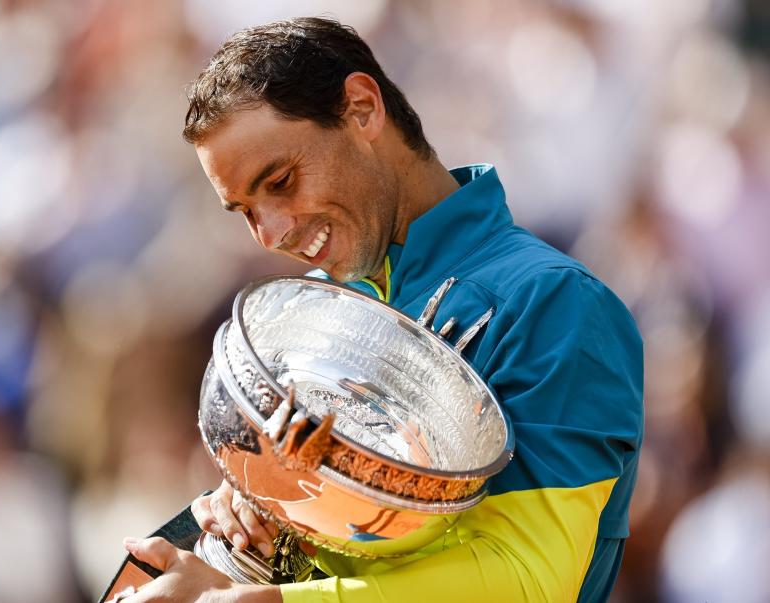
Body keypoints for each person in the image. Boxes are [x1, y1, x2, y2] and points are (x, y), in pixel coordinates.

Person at [120, 17, 643, 603]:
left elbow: (529, 578)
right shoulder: (310, 321)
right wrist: (245, 552)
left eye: (282, 181)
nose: (269, 235)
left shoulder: (556, 303)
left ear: (363, 109)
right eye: (243, 210)